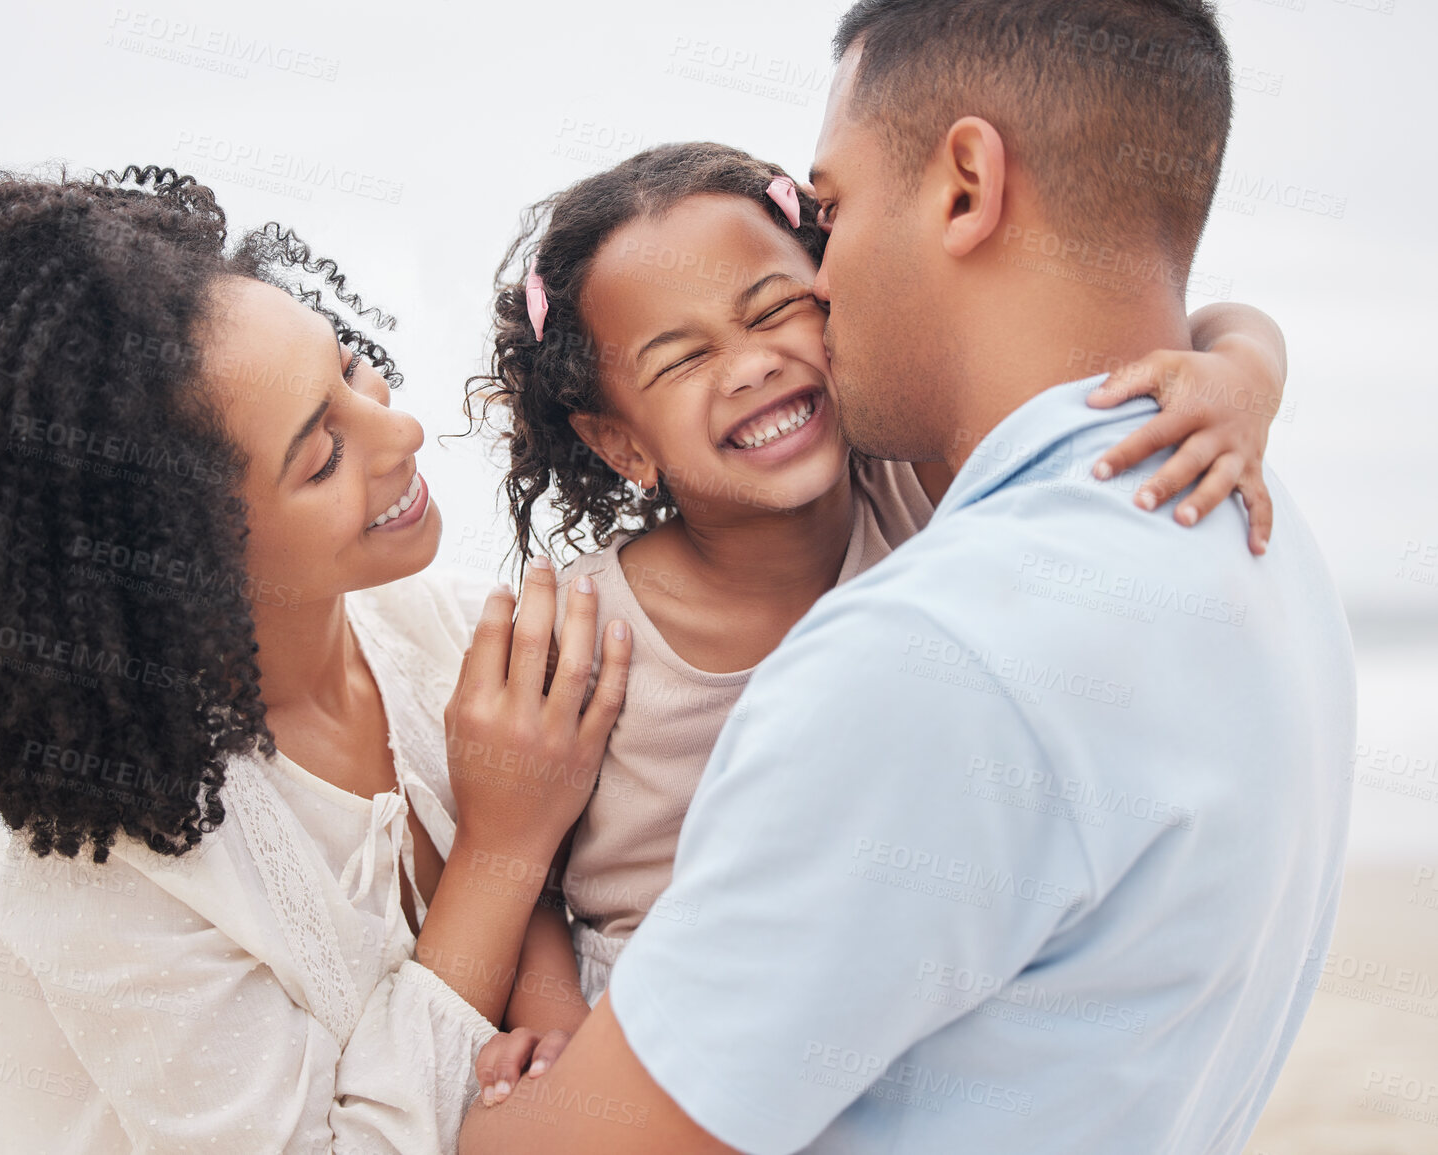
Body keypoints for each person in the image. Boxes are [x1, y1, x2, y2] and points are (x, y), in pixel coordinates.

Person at [459, 2, 1355, 1152]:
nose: (817, 295)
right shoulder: (1251, 536)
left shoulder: (930, 649)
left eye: (825, 217)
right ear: (615, 435)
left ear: (968, 185)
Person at [0, 165, 629, 1154]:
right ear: (176, 563)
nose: (400, 429)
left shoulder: (452, 643)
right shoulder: (112, 873)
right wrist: (500, 851)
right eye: (321, 455)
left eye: (350, 368)